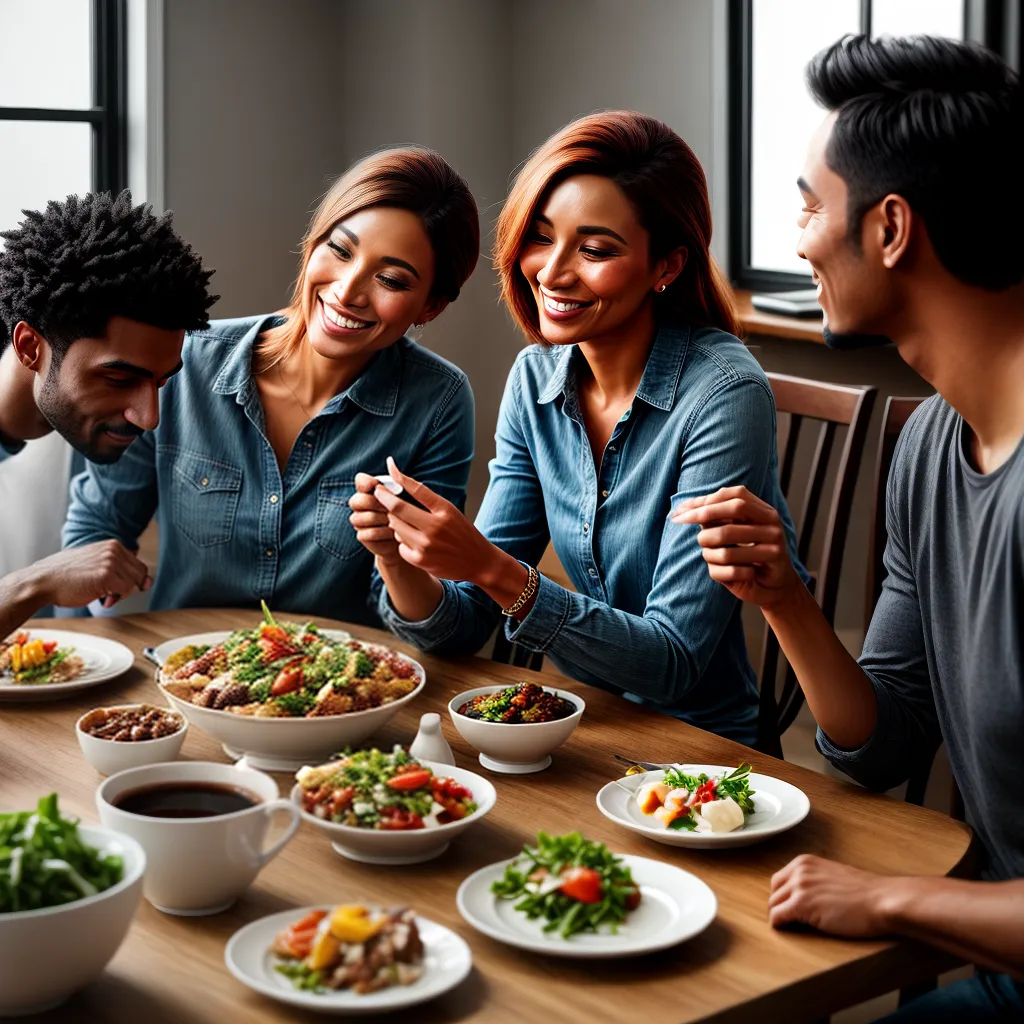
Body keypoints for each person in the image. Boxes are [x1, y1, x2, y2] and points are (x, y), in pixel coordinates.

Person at [675, 35, 1024, 1018]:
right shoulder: (930, 447)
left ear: (891, 228)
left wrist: (887, 898)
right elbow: (881, 743)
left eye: (808, 206)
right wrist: (783, 598)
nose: (798, 242)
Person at [351, 111, 801, 744]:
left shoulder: (724, 395)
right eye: (540, 237)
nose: (552, 272)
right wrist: (397, 560)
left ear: (666, 265)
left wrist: (492, 568)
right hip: (574, 731)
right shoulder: (535, 378)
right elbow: (462, 628)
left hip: (700, 752)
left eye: (595, 250)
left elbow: (671, 664)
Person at [63, 148, 479, 626]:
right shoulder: (183, 362)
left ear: (430, 307)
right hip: (185, 664)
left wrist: (395, 558)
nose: (347, 291)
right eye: (340, 250)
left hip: (339, 672)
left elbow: (438, 624)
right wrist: (101, 609)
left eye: (390, 279)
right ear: (313, 244)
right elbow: (96, 526)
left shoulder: (438, 402)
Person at [0, 190, 217, 634]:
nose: (149, 418)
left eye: (161, 381)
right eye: (118, 379)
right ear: (29, 347)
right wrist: (35, 585)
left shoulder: (91, 432)